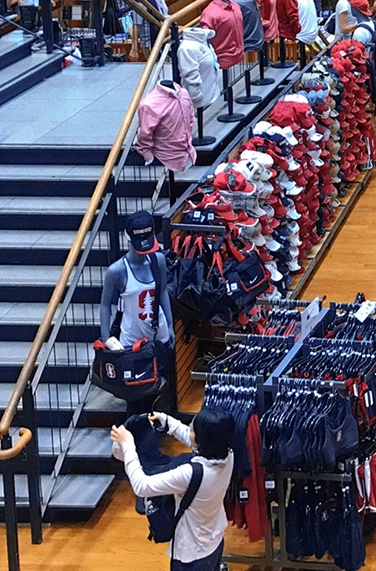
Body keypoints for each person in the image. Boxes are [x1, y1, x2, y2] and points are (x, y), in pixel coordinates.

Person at [112, 408, 237, 571]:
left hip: (191, 555)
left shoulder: (190, 473)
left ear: (202, 439)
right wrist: (166, 420)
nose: (189, 430)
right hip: (214, 540)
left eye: (193, 430)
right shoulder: (228, 455)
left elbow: (142, 486)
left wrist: (128, 443)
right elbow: (194, 439)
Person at [99, 210, 177, 416]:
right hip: (131, 342)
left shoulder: (157, 260)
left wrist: (170, 325)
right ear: (128, 238)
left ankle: (155, 436)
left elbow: (162, 293)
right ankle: (132, 441)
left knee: (160, 389)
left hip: (158, 337)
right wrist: (107, 338)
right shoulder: (116, 271)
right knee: (136, 398)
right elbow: (105, 304)